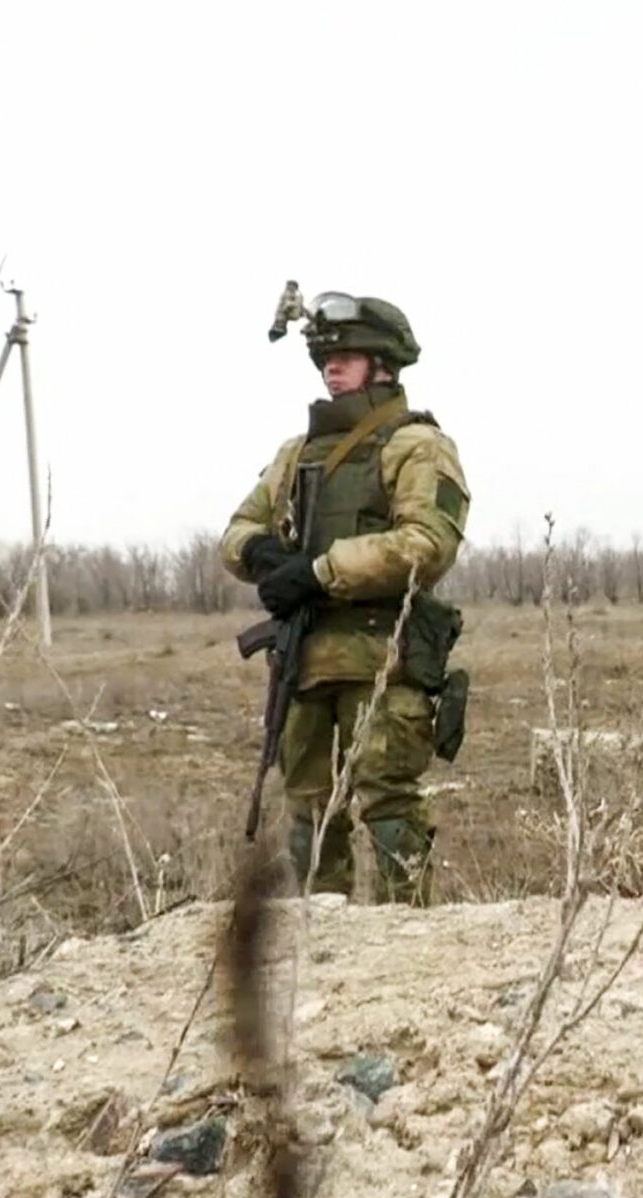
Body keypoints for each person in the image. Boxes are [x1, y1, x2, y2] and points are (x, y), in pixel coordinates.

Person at [222, 293, 471, 904]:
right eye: (325, 359)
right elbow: (236, 531)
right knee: (308, 810)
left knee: (388, 804)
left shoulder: (416, 446)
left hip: (384, 659)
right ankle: (322, 941)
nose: (331, 368)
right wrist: (261, 557)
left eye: (347, 356)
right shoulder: (296, 454)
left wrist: (321, 570)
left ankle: (404, 939)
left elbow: (427, 543)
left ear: (383, 365)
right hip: (305, 661)